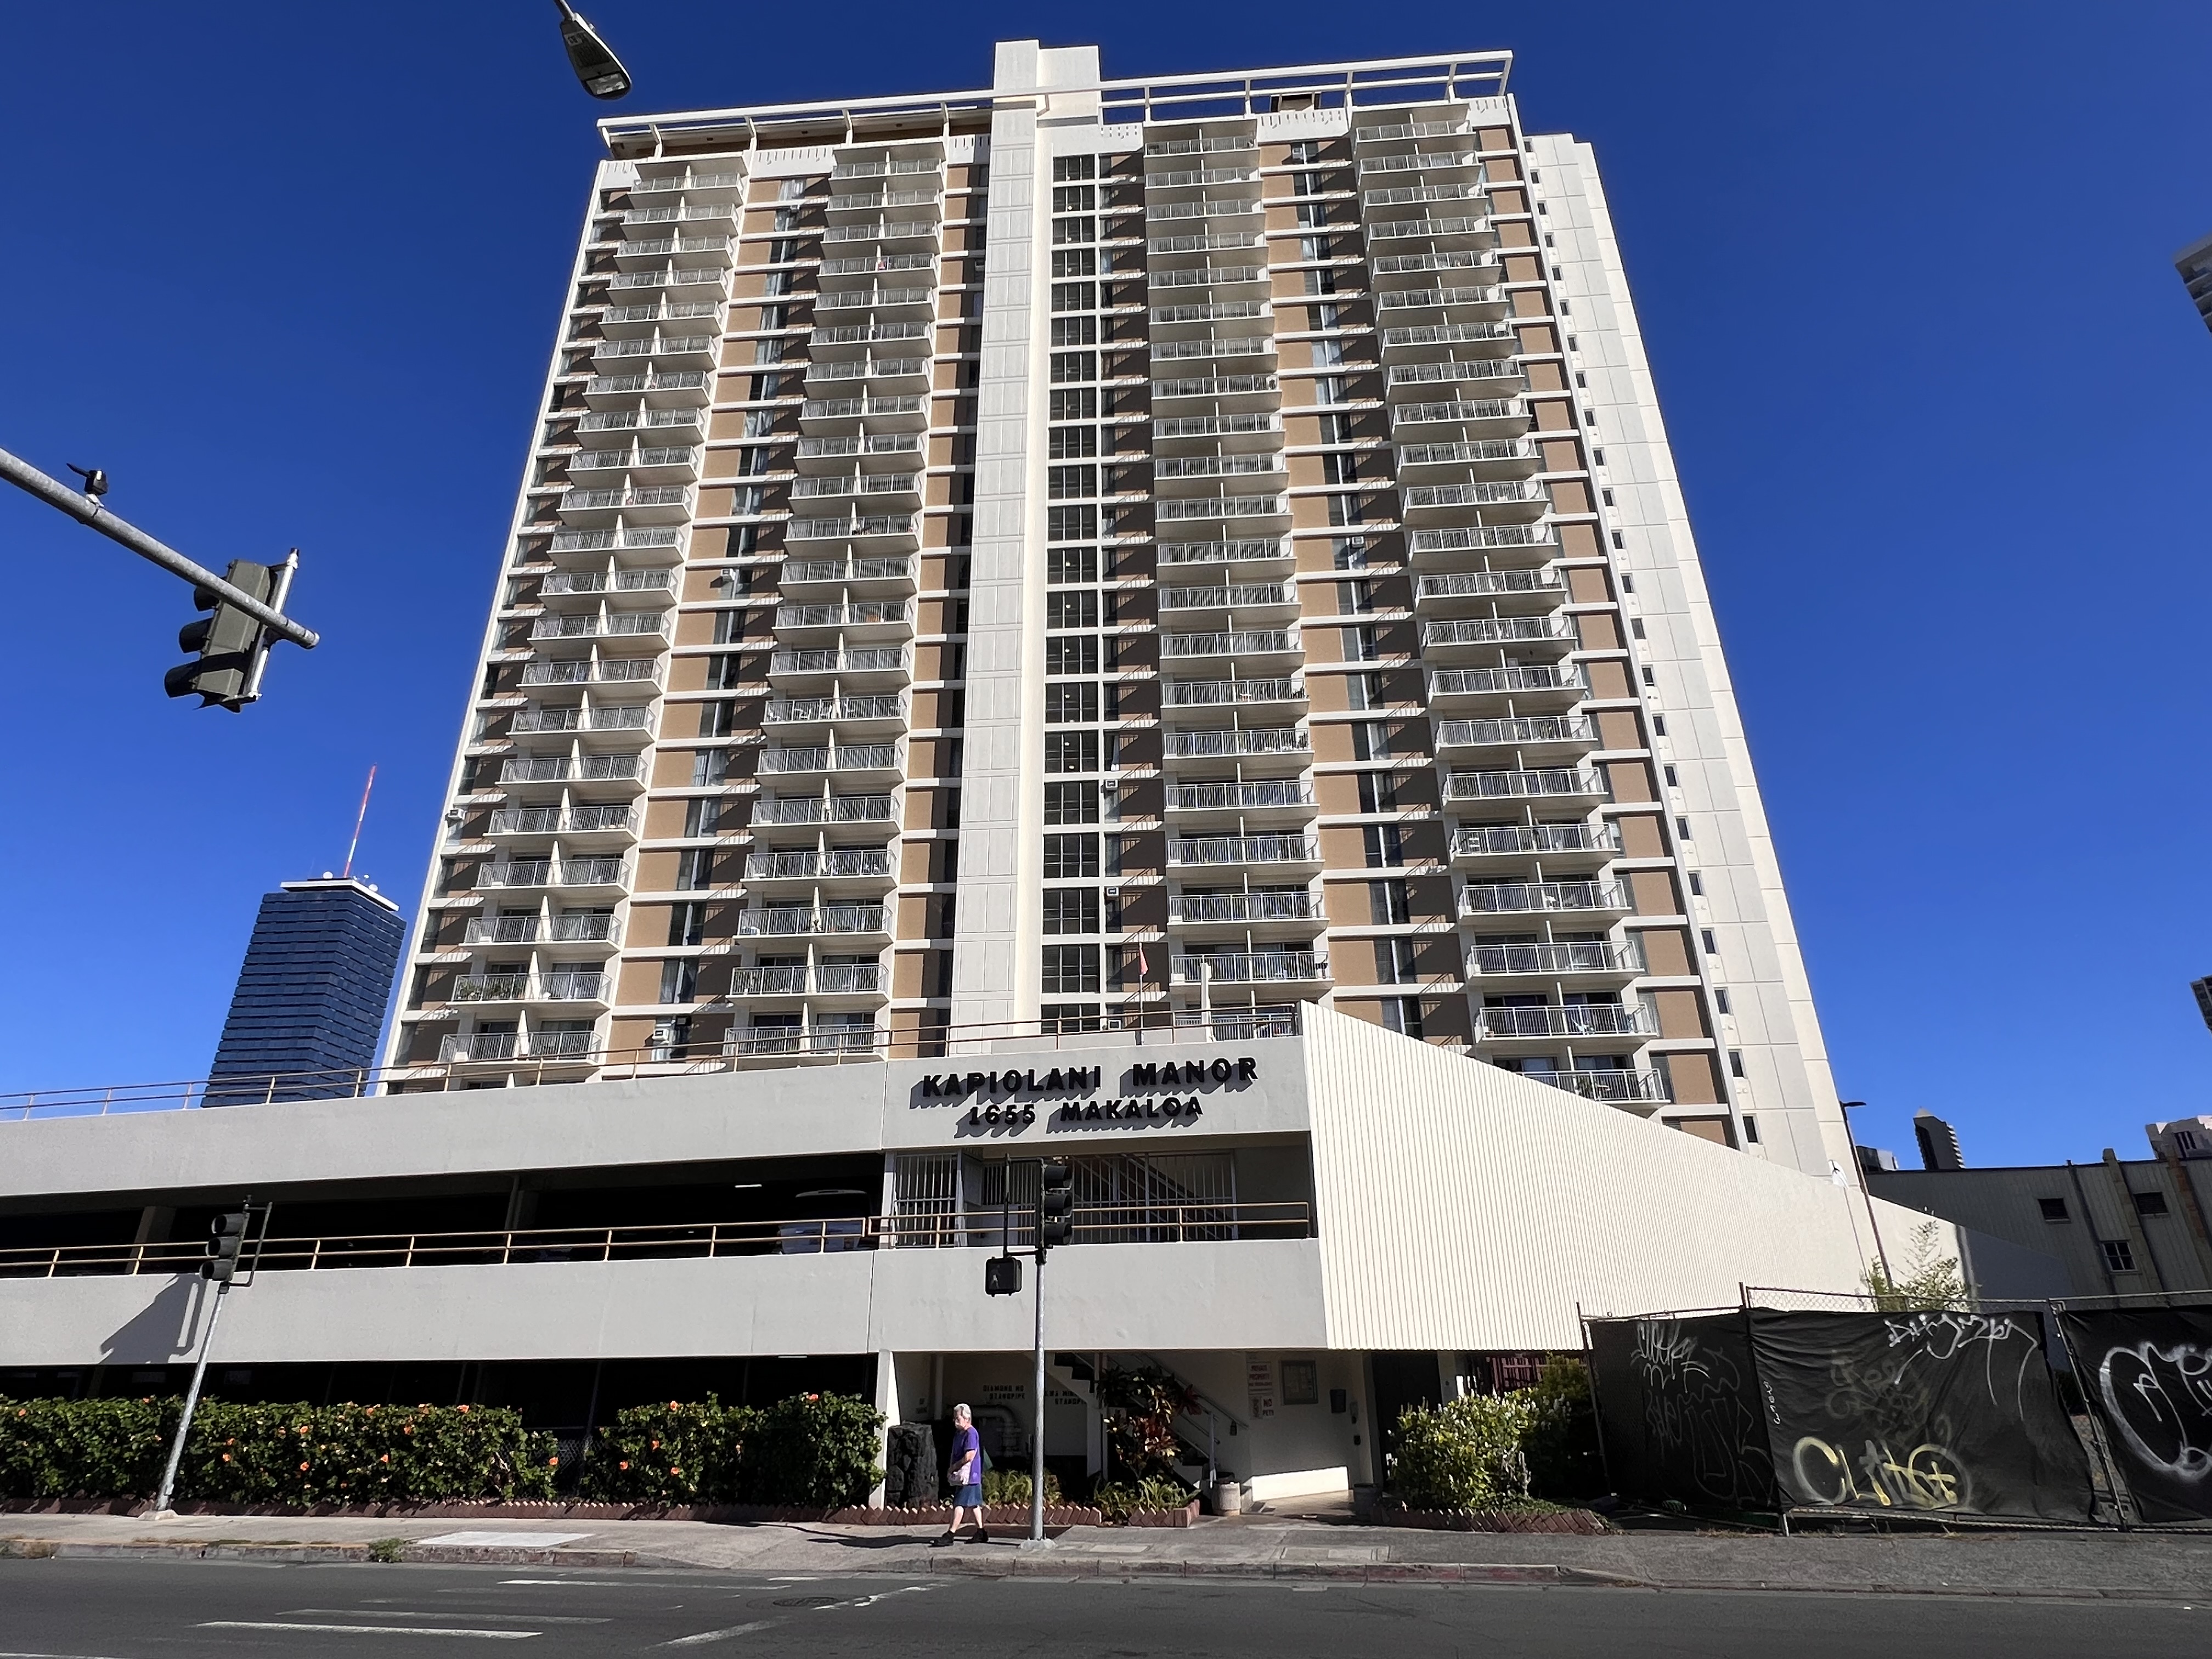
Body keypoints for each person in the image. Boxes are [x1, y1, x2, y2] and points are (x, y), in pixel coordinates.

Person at [935, 1403, 986, 1545]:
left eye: (958, 1418)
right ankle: (981, 1532)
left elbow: (969, 1456)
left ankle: (951, 1534)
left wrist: (954, 1467)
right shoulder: (960, 1433)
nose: (955, 1421)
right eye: (955, 1418)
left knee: (959, 1504)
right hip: (970, 1476)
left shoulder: (971, 1434)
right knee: (974, 1505)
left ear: (967, 1419)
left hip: (969, 1476)